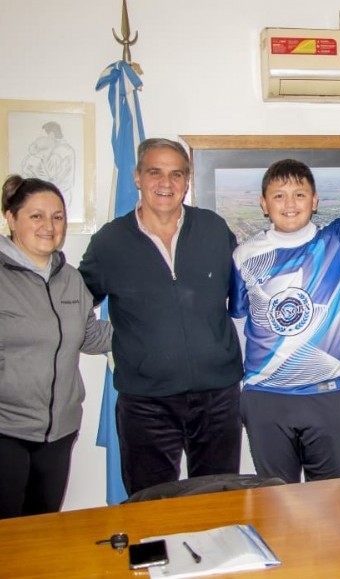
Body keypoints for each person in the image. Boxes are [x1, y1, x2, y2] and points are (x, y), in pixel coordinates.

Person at [229, 86, 340, 483]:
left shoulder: (339, 242)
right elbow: (240, 326)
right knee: (277, 509)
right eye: (278, 195)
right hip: (267, 401)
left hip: (330, 396)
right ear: (263, 203)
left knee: (332, 509)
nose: (289, 202)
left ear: (315, 200)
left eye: (299, 193)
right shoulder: (244, 255)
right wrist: (249, 392)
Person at [79, 138, 244, 495]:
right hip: (145, 404)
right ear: (137, 177)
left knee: (218, 506)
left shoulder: (215, 230)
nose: (166, 183)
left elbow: (251, 294)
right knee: (149, 509)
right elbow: (70, 305)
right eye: (155, 172)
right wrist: (115, 340)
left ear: (187, 182)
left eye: (176, 174)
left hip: (218, 398)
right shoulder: (109, 242)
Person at [0, 175, 112, 518]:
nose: (49, 226)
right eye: (36, 216)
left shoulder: (70, 278)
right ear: (10, 218)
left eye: (58, 216)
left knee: (43, 529)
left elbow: (90, 336)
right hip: (6, 430)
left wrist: (149, 327)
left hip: (60, 432)